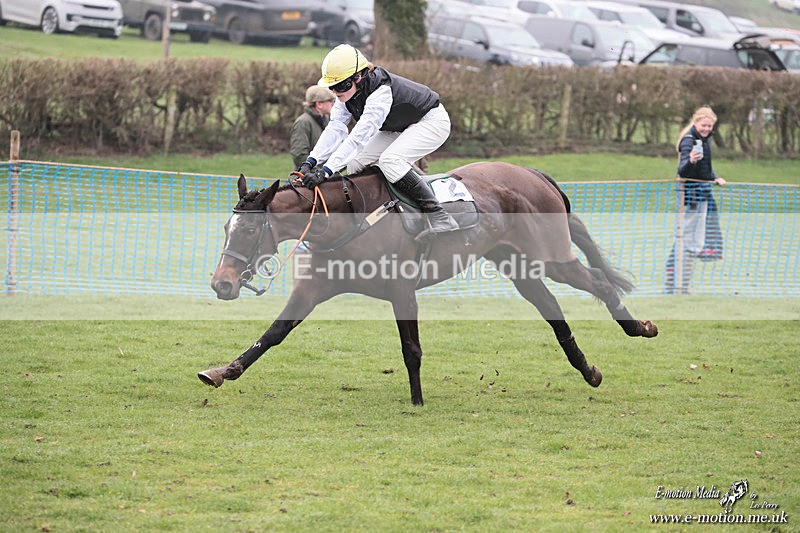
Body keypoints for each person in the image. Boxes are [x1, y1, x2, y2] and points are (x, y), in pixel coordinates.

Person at [294, 43, 458, 235]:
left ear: (359, 77)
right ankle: (373, 213)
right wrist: (310, 162)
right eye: (332, 87)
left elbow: (358, 139)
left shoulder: (380, 93)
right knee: (355, 163)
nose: (336, 92)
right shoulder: (347, 95)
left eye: (341, 86)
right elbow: (335, 130)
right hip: (398, 126)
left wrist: (325, 172)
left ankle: (439, 215)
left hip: (431, 121)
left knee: (390, 160)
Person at [664, 106, 726, 295]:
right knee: (689, 241)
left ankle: (681, 285)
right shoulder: (688, 141)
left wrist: (714, 177)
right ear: (695, 122)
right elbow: (682, 171)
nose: (707, 128)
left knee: (692, 240)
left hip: (702, 194)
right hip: (691, 197)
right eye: (703, 125)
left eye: (709, 126)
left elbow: (705, 167)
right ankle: (678, 285)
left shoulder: (704, 140)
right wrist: (690, 160)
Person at [289, 85, 336, 169]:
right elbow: (299, 156)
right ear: (319, 104)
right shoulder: (302, 123)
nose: (333, 104)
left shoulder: (326, 120)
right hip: (308, 176)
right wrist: (318, 173)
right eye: (330, 101)